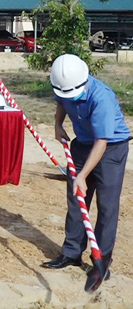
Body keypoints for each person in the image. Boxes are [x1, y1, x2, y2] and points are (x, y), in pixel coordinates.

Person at [41, 54, 130, 291]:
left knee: (107, 205)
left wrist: (82, 175)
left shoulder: (102, 98)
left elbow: (102, 141)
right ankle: (71, 252)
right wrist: (58, 124)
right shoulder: (63, 83)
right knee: (76, 200)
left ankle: (101, 261)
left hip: (110, 148)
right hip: (81, 144)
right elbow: (61, 101)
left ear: (84, 80)